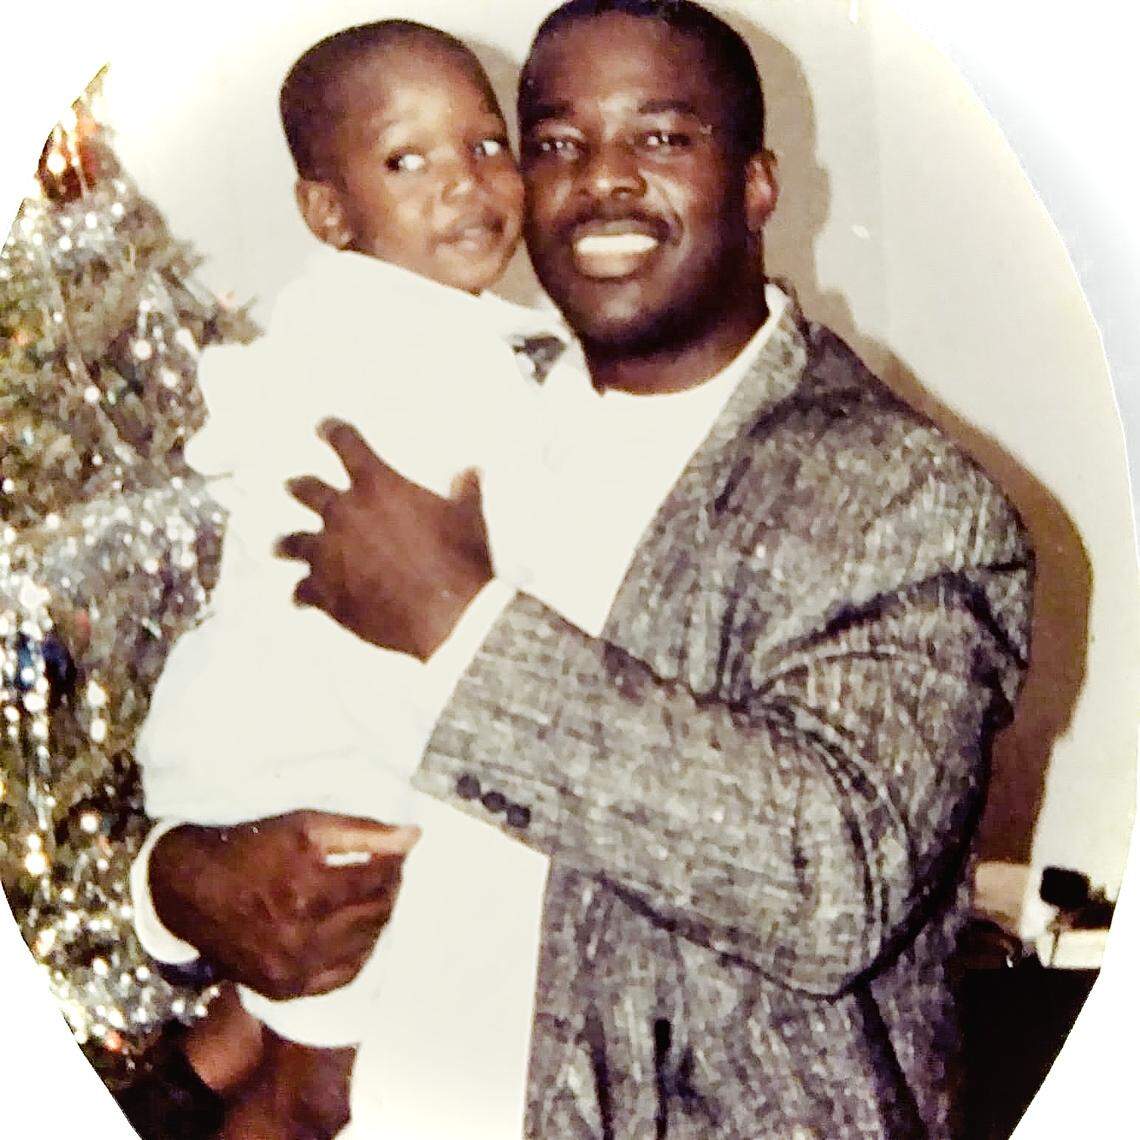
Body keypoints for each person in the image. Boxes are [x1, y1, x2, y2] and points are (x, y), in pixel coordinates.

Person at [147, 2, 1035, 1136]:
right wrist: (181, 881)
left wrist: (456, 626)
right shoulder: (456, 411)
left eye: (661, 138)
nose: (602, 181)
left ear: (758, 184)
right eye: (557, 144)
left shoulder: (900, 495)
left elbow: (832, 877)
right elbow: (266, 663)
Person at [130, 19, 575, 1137]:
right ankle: (249, 1078)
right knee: (327, 1086)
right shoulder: (393, 349)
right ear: (329, 213)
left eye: (485, 145)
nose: (465, 187)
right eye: (407, 161)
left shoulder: (421, 327)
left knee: (293, 1028)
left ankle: (220, 1056)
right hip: (335, 746)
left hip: (284, 727)